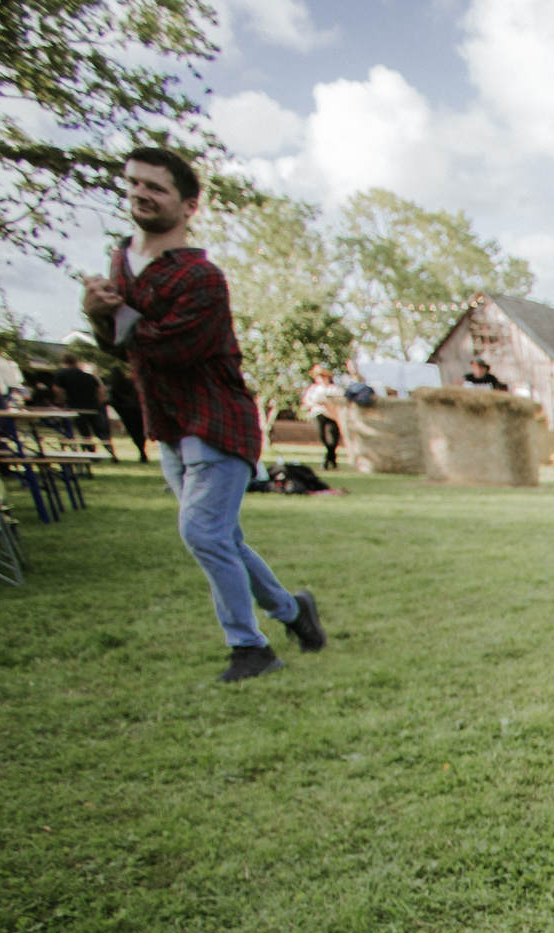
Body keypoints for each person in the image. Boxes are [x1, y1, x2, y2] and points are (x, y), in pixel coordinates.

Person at [80, 144, 325, 684]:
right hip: (166, 421)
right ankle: (293, 612)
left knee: (203, 533)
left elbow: (170, 348)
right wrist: (99, 317)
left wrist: (111, 314)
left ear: (189, 206)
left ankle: (250, 648)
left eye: (157, 187)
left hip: (215, 419)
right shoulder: (122, 261)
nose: (142, 193)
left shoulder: (201, 277)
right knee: (223, 538)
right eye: (135, 183)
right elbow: (124, 346)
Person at [51, 352, 113, 452]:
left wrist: (62, 400)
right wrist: (100, 402)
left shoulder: (60, 374)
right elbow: (100, 390)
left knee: (84, 432)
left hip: (76, 407)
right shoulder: (88, 376)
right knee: (100, 430)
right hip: (93, 407)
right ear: (76, 362)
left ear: (63, 362)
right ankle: (109, 448)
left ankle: (91, 451)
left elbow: (56, 389)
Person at [301, 362, 345, 470]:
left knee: (332, 438)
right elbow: (307, 400)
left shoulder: (335, 389)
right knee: (322, 436)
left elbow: (341, 401)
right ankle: (329, 458)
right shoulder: (313, 389)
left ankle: (328, 458)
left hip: (332, 415)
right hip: (318, 413)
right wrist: (315, 403)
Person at [106, 366, 148, 461]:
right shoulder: (130, 383)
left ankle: (141, 450)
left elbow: (113, 400)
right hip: (137, 409)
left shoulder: (113, 386)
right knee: (140, 432)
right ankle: (142, 450)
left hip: (125, 412)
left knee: (133, 432)